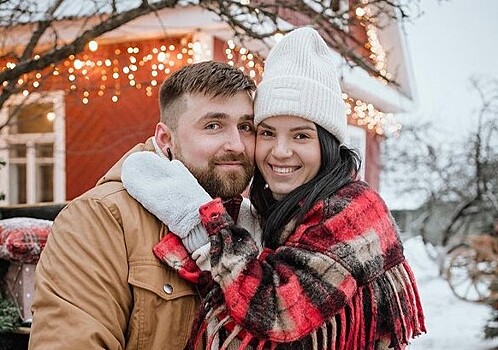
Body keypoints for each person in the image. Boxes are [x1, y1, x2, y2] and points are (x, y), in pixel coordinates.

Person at [122, 27, 426, 349]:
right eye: (266, 133)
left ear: (328, 145)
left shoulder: (354, 209)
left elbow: (279, 314)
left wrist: (200, 220)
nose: (280, 151)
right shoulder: (282, 208)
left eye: (300, 135)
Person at [28, 61, 262, 350]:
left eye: (246, 127)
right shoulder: (100, 220)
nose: (236, 145)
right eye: (213, 126)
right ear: (166, 139)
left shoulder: (258, 224)